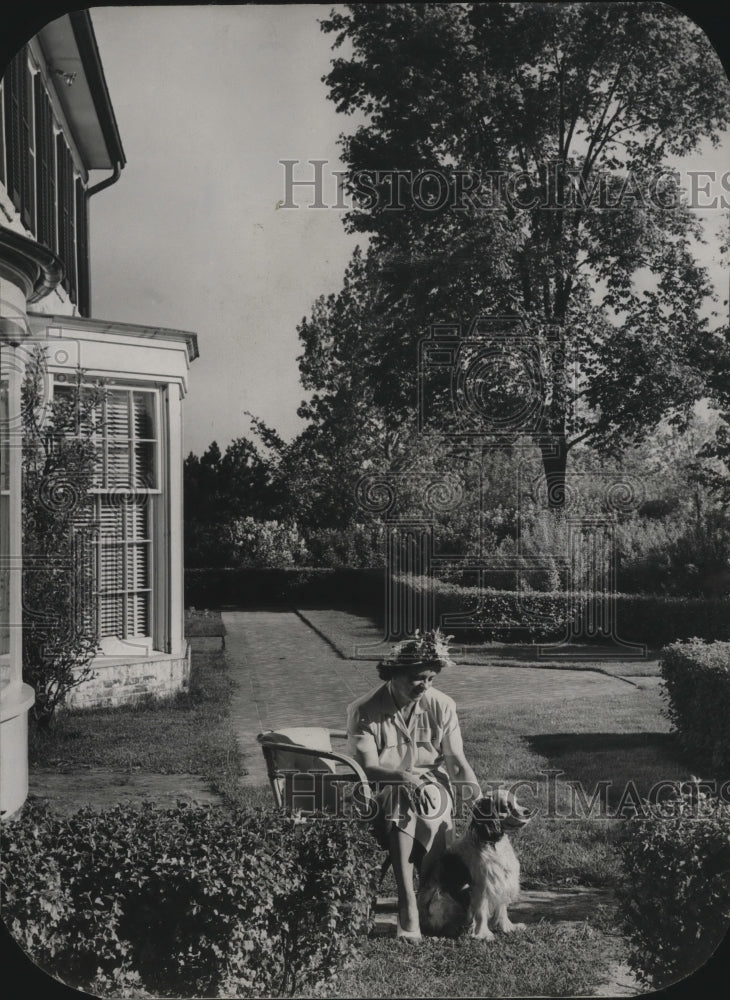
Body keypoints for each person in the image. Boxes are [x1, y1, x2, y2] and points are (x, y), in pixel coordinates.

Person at [346, 629, 481, 941]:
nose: (426, 685)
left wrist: (479, 799)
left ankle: (413, 907)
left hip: (433, 789)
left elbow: (456, 761)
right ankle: (411, 902)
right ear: (394, 673)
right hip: (379, 792)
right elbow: (368, 768)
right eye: (418, 677)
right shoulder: (364, 709)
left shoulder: (442, 705)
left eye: (432, 678)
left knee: (423, 798)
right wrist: (406, 778)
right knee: (400, 794)